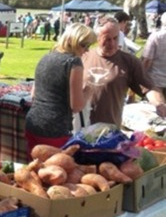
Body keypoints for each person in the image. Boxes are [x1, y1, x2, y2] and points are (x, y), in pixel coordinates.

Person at [82, 15, 166, 127]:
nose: (112, 43)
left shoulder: (129, 62)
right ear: (97, 37)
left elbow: (149, 88)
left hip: (109, 129)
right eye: (107, 39)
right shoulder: (83, 57)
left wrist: (160, 105)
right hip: (81, 127)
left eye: (115, 38)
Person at [25, 23, 97, 152]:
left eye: (89, 46)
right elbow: (76, 106)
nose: (86, 50)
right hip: (55, 127)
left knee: (35, 163)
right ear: (73, 42)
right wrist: (89, 90)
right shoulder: (73, 62)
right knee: (58, 164)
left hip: (33, 122)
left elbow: (33, 94)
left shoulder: (46, 57)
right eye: (84, 45)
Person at [142, 12, 166, 98]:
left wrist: (141, 77)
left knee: (157, 105)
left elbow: (147, 60)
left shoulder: (155, 36)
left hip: (156, 81)